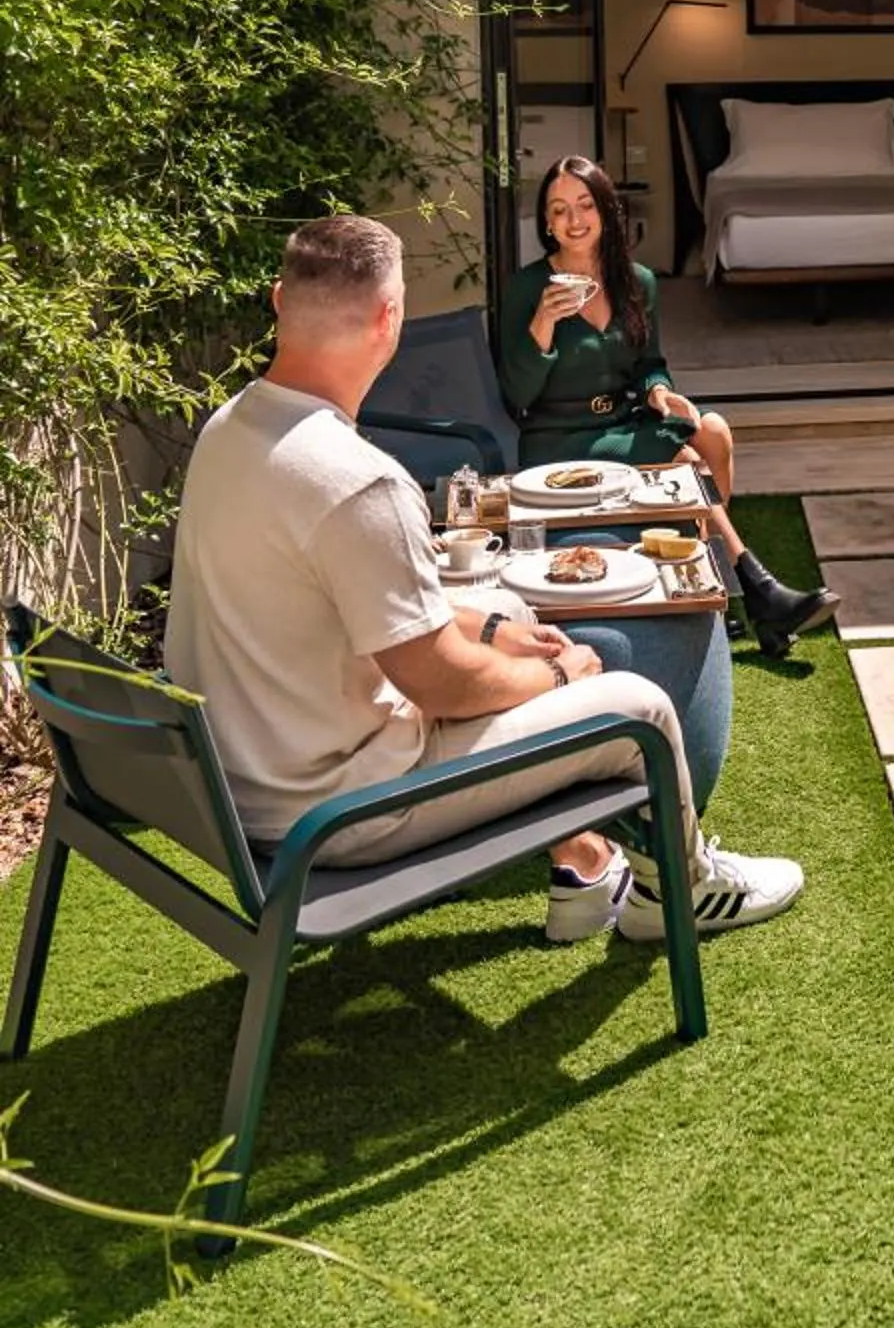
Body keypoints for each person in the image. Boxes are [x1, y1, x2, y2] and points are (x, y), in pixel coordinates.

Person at [164, 215, 803, 942]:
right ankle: (680, 893)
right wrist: (562, 677)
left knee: (497, 600)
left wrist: (497, 628)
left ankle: (586, 863)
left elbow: (364, 608)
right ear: (389, 319)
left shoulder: (227, 431)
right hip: (338, 811)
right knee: (635, 706)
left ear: (280, 300)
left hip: (248, 779)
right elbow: (439, 685)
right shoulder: (358, 483)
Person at [498, 155, 837, 660]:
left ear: (606, 211)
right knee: (686, 463)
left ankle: (723, 598)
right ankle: (753, 589)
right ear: (546, 222)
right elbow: (517, 395)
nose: (574, 220)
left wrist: (659, 391)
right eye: (559, 209)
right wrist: (543, 324)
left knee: (714, 431)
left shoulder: (637, 282)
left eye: (585, 205)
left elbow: (648, 363)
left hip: (622, 418)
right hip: (557, 432)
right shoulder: (528, 288)